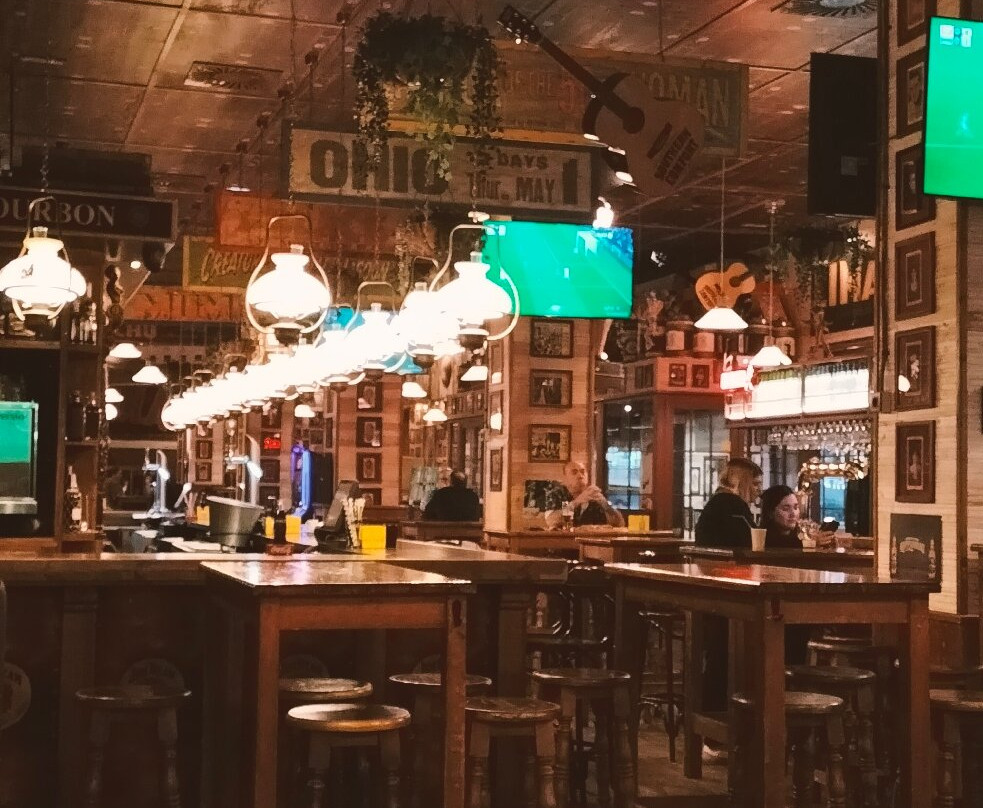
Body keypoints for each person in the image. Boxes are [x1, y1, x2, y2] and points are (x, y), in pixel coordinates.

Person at [693, 458, 762, 763]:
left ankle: (713, 737)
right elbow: (749, 548)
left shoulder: (716, 504)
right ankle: (719, 736)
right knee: (724, 658)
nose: (758, 491)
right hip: (727, 595)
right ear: (742, 481)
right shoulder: (732, 506)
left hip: (711, 593)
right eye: (755, 484)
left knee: (719, 657)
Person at [694, 458, 762, 549]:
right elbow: (749, 540)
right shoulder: (733, 504)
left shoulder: (717, 500)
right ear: (742, 482)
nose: (760, 489)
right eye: (755, 484)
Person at [545, 460, 625, 529]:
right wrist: (576, 502)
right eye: (574, 472)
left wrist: (606, 506)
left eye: (583, 472)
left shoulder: (594, 494)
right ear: (565, 478)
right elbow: (551, 521)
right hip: (565, 540)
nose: (580, 476)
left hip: (591, 540)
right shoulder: (557, 494)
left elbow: (620, 524)